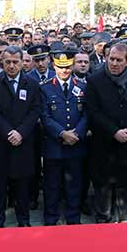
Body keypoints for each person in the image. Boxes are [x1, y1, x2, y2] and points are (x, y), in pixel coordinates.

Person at [85, 42, 127, 223]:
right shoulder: (94, 81)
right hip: (104, 144)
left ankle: (124, 217)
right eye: (111, 59)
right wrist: (114, 131)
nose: (114, 63)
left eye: (119, 60)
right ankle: (103, 217)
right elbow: (92, 112)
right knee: (103, 184)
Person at [0, 46, 42, 227]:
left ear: (22, 62)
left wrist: (21, 132)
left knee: (22, 187)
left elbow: (35, 110)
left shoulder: (32, 83)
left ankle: (23, 220)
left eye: (15, 62)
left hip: (23, 144)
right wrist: (8, 132)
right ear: (2, 62)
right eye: (7, 62)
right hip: (1, 142)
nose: (11, 66)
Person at [39, 50, 87, 225]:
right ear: (54, 65)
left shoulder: (82, 86)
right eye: (60, 67)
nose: (64, 71)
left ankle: (73, 218)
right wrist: (61, 133)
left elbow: (87, 114)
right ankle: (51, 218)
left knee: (74, 185)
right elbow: (44, 116)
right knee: (52, 185)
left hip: (76, 144)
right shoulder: (44, 87)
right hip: (54, 146)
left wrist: (77, 133)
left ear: (72, 65)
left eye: (67, 67)